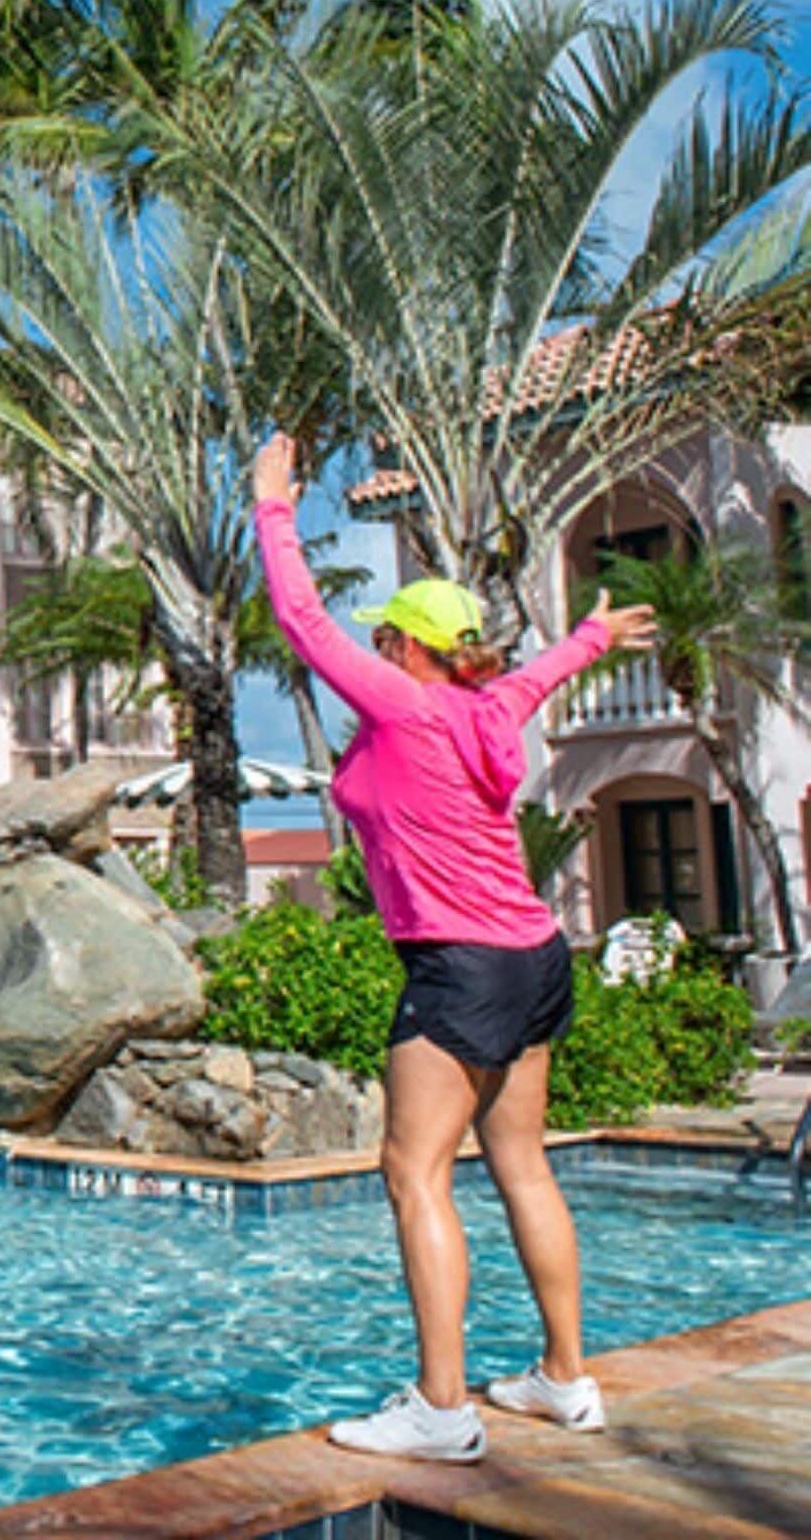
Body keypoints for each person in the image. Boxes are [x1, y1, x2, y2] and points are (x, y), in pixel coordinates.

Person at [255, 432, 654, 1462]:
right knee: (519, 1162)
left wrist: (272, 507)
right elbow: (547, 669)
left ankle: (441, 1409)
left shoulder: (404, 699)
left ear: (403, 645)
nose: (375, 646)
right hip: (533, 954)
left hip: (461, 964)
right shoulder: (490, 702)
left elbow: (300, 619)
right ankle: (565, 1378)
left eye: (386, 635)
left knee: (413, 1172)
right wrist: (596, 636)